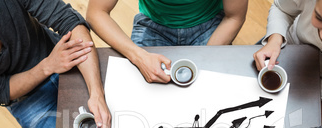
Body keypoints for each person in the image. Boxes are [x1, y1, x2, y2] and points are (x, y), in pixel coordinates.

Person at [0, 0, 111, 128]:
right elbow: (1, 90)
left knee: (113, 106)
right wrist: (47, 66)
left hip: (59, 53)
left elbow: (68, 21)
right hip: (26, 97)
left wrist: (96, 93)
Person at [253, 0, 322, 122]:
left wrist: (314, 91)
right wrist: (275, 39)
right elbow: (282, 8)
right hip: (286, 47)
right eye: (319, 17)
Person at [86, 0, 248, 84]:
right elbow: (96, 13)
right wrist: (139, 57)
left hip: (209, 24)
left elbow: (234, 17)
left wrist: (205, 60)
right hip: (153, 24)